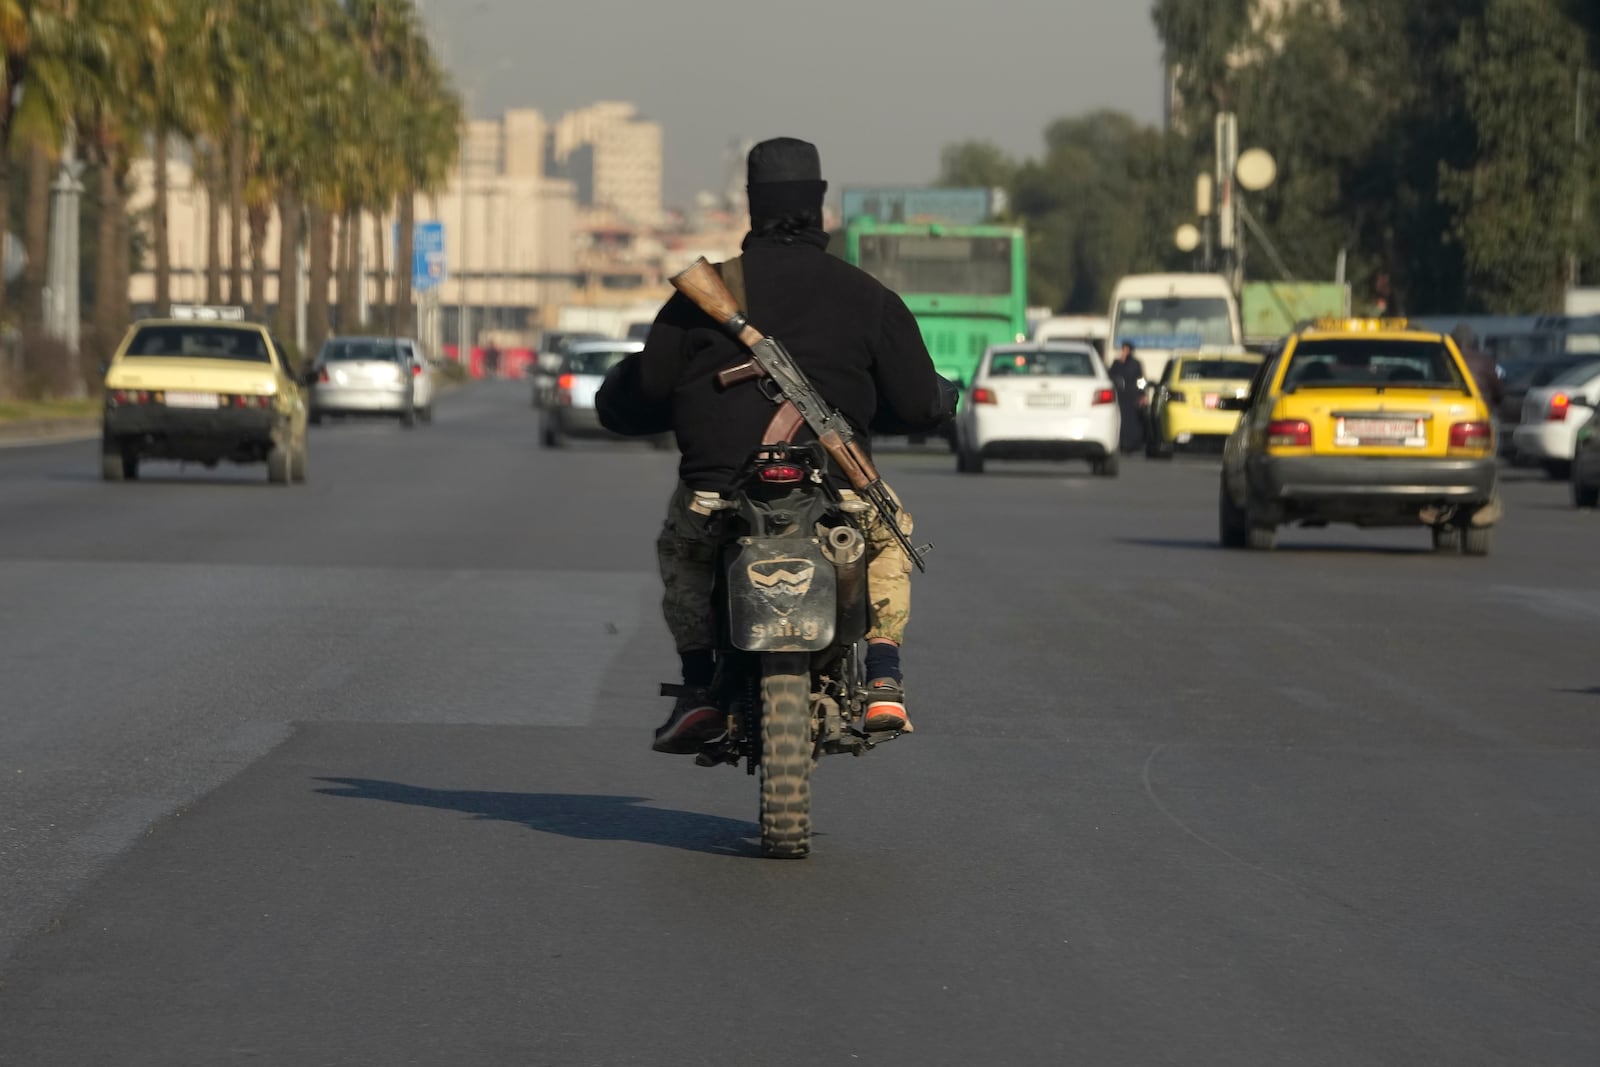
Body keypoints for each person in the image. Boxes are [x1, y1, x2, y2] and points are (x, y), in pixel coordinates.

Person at [597, 137, 955, 755]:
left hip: (717, 491)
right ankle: (883, 678)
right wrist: (936, 400)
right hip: (838, 489)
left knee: (683, 551)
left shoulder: (703, 299)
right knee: (891, 534)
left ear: (752, 206)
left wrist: (627, 396)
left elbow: (642, 393)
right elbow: (923, 403)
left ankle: (698, 689)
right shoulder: (867, 296)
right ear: (818, 207)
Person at [1450, 323, 1504, 410]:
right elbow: (1498, 391)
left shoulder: (1447, 359)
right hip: (1482, 409)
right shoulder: (1485, 360)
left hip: (1453, 410)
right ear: (1473, 341)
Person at [1109, 341, 1148, 453]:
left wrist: (1142, 395)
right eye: (1123, 349)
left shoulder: (1136, 364)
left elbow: (1141, 380)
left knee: (1132, 421)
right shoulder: (1116, 363)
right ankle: (1120, 443)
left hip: (1133, 396)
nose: (1124, 351)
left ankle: (1131, 445)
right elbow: (1111, 377)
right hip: (1120, 396)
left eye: (1126, 349)